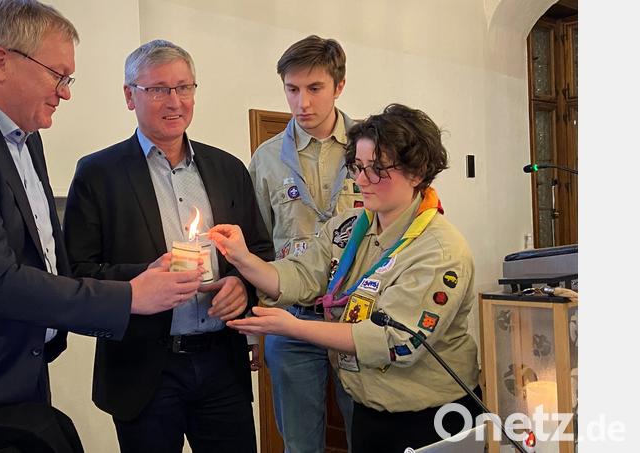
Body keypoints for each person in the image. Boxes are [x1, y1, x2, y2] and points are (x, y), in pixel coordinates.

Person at [0, 0, 202, 444]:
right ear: (1, 62)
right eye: (58, 75)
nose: (65, 92)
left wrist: (144, 277)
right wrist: (130, 296)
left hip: (22, 368)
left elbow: (43, 259)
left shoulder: (25, 138)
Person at [210, 104, 482, 452]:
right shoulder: (350, 226)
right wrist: (243, 258)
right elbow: (302, 275)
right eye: (358, 167)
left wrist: (292, 327)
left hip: (430, 415)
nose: (362, 179)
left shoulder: (439, 250)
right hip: (371, 410)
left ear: (417, 173)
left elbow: (394, 341)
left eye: (378, 169)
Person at [62, 39, 274, 453]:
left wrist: (242, 287)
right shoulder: (98, 174)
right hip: (143, 368)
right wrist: (145, 281)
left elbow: (261, 251)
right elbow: (79, 272)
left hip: (220, 363)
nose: (174, 101)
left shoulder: (228, 169)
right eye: (158, 89)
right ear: (129, 96)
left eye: (184, 87)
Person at [248, 35, 360, 452]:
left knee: (367, 436)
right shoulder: (266, 157)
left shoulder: (370, 148)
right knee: (298, 443)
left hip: (359, 317)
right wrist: (254, 331)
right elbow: (258, 244)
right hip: (290, 317)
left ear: (339, 86)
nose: (302, 103)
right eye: (292, 90)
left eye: (315, 89)